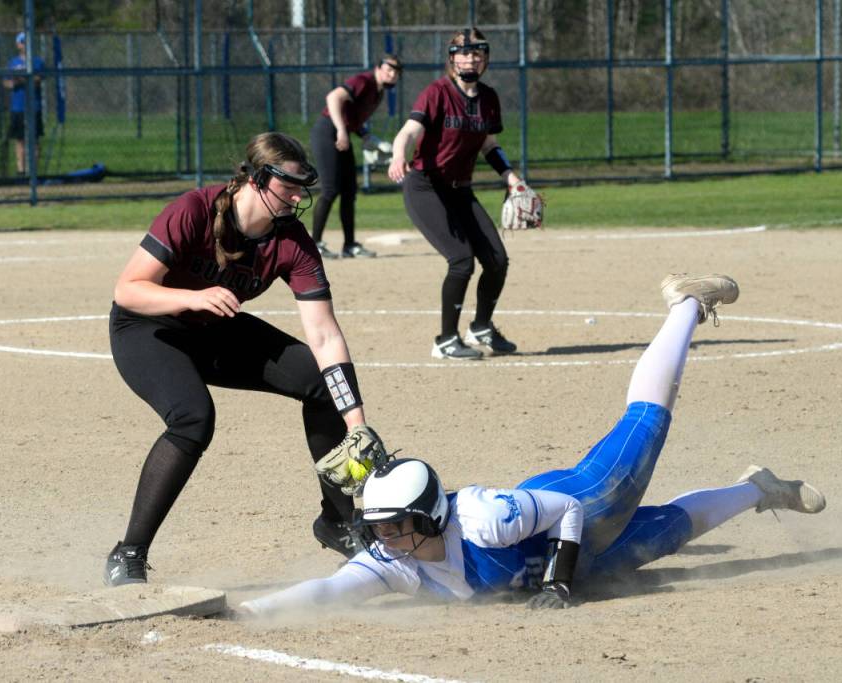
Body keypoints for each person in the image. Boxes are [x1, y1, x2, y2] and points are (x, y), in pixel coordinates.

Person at [236, 274, 827, 617]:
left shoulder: (485, 518)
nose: (383, 540)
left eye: (394, 526)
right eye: (381, 527)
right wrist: (249, 613)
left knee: (644, 426)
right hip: (574, 562)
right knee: (674, 529)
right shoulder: (401, 565)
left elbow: (568, 512)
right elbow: (333, 589)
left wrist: (560, 581)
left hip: (576, 508)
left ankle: (687, 304)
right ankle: (759, 488)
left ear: (432, 518)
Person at [104, 132, 384, 586]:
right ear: (254, 179)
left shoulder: (291, 240)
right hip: (147, 328)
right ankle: (129, 552)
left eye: (301, 187)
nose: (297, 197)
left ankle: (336, 522)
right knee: (193, 417)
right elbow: (128, 290)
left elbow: (325, 333)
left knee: (321, 384)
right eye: (288, 185)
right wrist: (190, 298)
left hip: (214, 328)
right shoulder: (194, 209)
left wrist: (356, 421)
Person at [388, 28, 529, 360]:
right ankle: (445, 340)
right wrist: (398, 155)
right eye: (463, 53)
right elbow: (409, 131)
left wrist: (511, 177)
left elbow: (488, 145)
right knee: (461, 260)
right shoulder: (437, 92)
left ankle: (481, 326)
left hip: (460, 190)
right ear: (452, 59)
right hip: (425, 186)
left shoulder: (488, 98)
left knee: (496, 259)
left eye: (477, 53)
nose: (470, 58)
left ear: (485, 59)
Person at [310, 54, 402, 260]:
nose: (393, 73)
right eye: (389, 69)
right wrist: (342, 131)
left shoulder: (378, 93)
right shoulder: (364, 81)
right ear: (378, 68)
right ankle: (314, 244)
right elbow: (333, 98)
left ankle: (349, 245)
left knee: (349, 191)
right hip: (327, 132)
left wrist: (367, 136)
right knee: (330, 189)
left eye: (396, 71)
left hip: (341, 134)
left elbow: (351, 116)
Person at [3, 32, 44, 175]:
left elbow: (38, 79)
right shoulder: (13, 62)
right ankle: (21, 171)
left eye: (27, 42)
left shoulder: (37, 61)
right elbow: (6, 82)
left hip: (33, 106)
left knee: (34, 139)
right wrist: (14, 82)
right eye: (22, 42)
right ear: (18, 44)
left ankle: (33, 172)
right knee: (19, 139)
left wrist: (23, 79)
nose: (24, 45)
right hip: (18, 107)